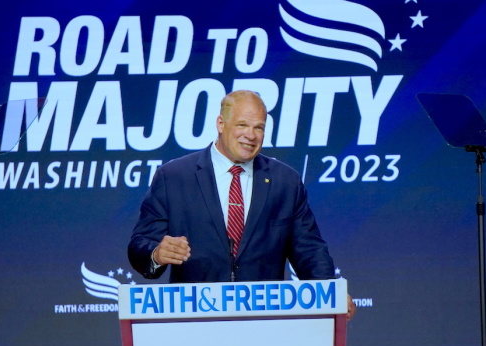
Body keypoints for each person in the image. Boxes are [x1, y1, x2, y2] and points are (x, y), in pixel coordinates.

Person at [128, 90, 355, 319]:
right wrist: (156, 253)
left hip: (265, 321)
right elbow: (140, 244)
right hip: (194, 320)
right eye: (242, 125)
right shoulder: (174, 177)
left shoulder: (285, 182)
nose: (251, 135)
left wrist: (330, 293)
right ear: (221, 123)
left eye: (259, 127)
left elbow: (309, 249)